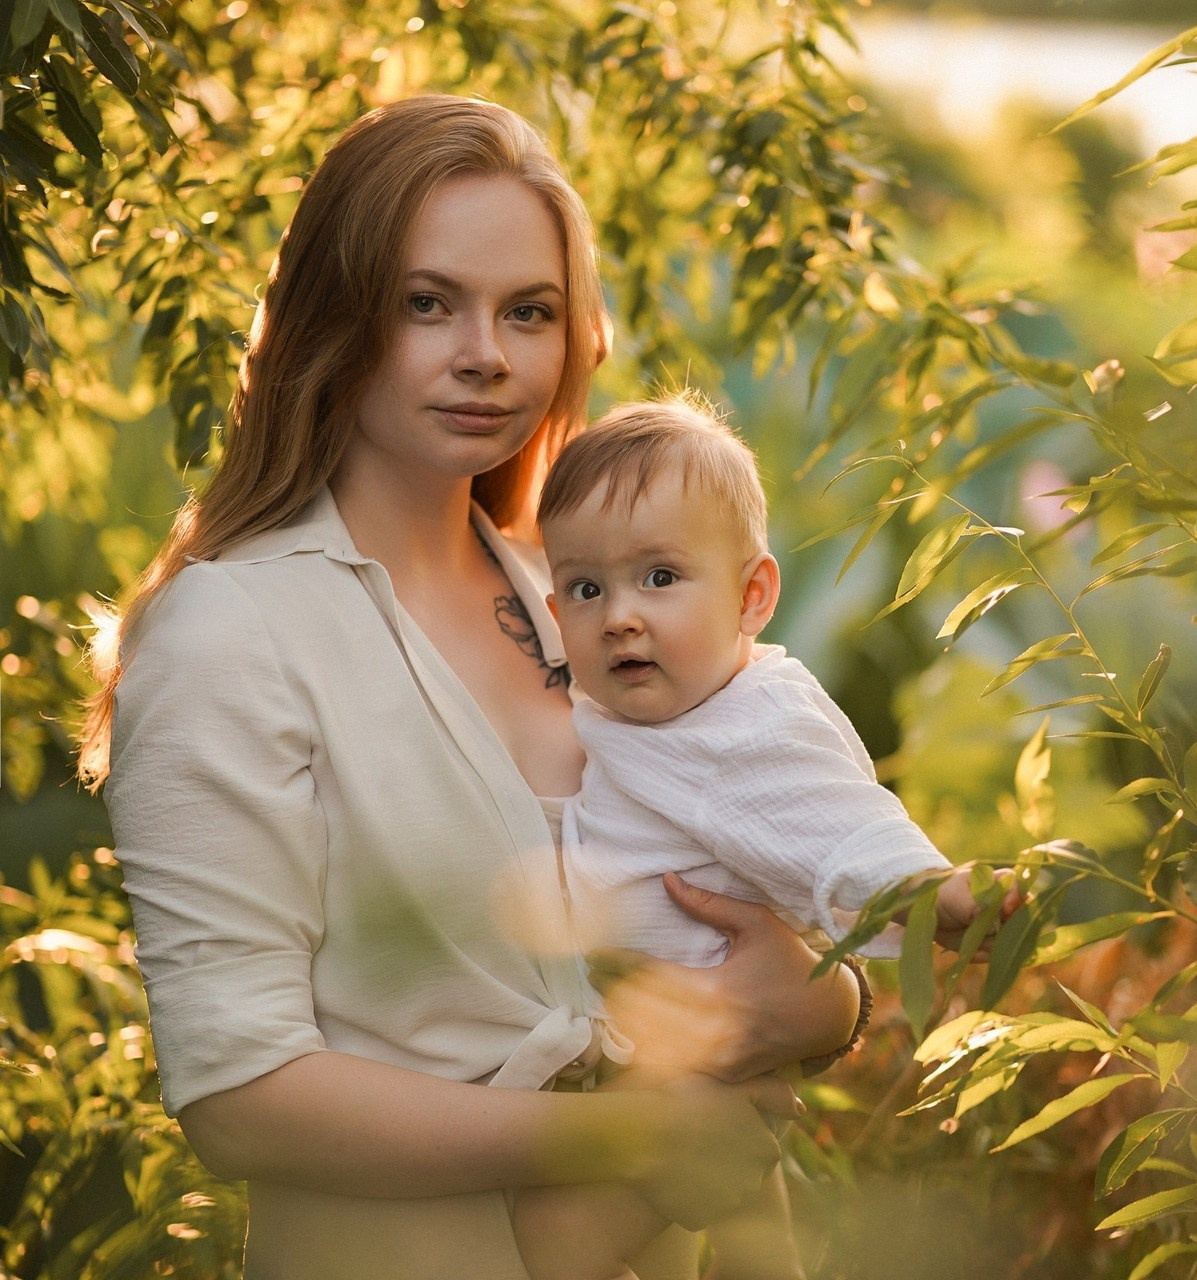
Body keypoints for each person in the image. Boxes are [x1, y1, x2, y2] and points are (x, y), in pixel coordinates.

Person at [76, 96, 866, 1280]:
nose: (485, 352)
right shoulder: (229, 633)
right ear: (330, 321)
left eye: (528, 311)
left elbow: (769, 865)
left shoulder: (586, 597)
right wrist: (632, 1129)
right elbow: (240, 1092)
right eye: (426, 302)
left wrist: (824, 1003)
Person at [516, 392, 1021, 1280]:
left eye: (660, 578)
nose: (620, 616)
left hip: (684, 1049)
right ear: (555, 609)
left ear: (752, 595)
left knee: (555, 1242)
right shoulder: (644, 707)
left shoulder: (747, 726)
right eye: (587, 588)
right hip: (666, 1040)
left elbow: (843, 826)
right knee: (754, 1234)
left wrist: (942, 891)